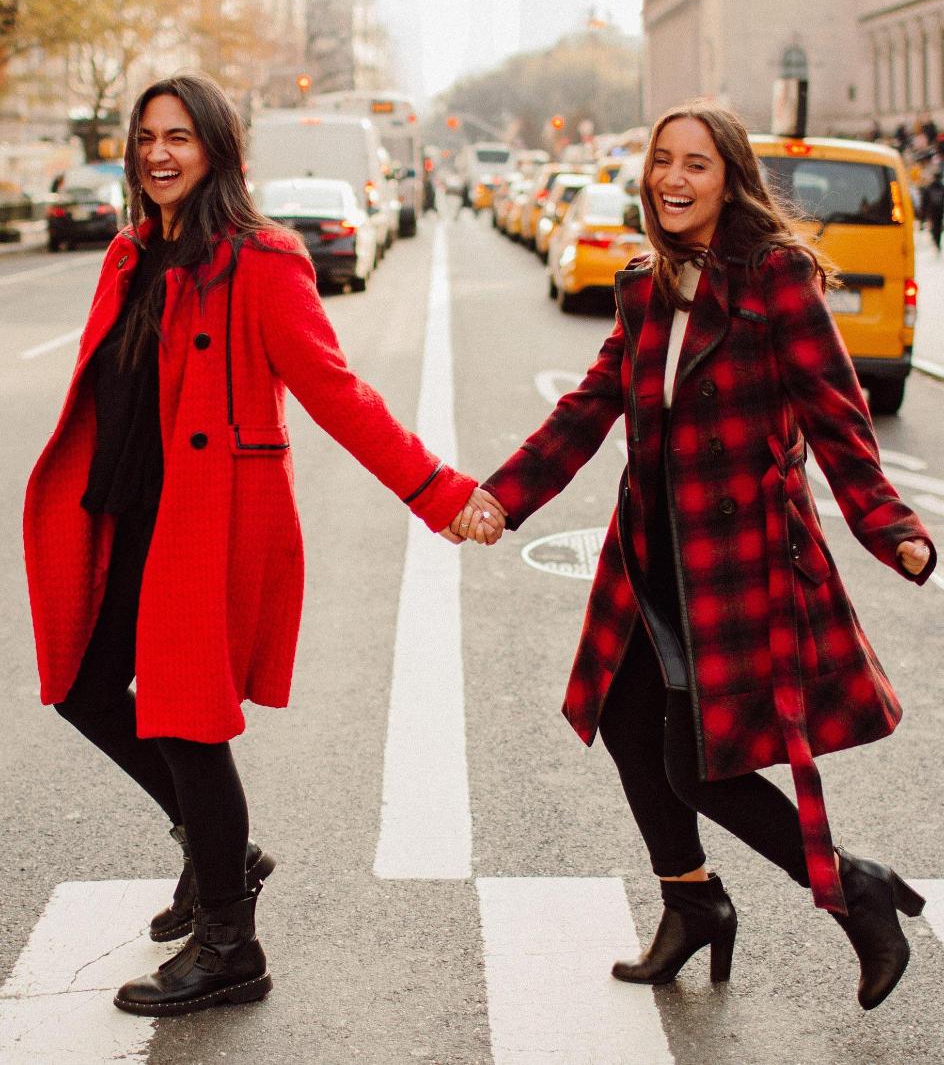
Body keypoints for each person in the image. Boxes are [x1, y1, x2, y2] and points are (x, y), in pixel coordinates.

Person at [22, 72, 504, 1018]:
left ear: (219, 151)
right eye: (147, 138)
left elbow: (337, 392)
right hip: (126, 515)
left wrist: (440, 493)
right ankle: (222, 853)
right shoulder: (129, 253)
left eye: (181, 138)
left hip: (205, 522)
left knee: (183, 718)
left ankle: (231, 945)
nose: (160, 154)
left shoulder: (259, 260)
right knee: (82, 684)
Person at [460, 100, 936, 1010]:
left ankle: (852, 889)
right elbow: (589, 407)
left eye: (697, 165)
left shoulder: (776, 276)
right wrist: (503, 496)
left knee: (697, 763)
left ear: (731, 182)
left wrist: (891, 526)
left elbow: (839, 416)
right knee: (630, 723)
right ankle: (692, 903)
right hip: (652, 554)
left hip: (741, 560)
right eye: (662, 162)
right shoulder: (644, 283)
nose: (673, 180)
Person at [921, 169, 944, 252]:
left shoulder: (930, 187)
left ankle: (935, 240)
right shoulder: (942, 187)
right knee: (938, 225)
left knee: (934, 226)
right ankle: (937, 241)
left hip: (931, 211)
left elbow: (925, 200)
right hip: (940, 210)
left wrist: (923, 213)